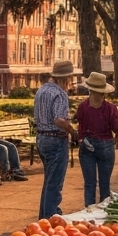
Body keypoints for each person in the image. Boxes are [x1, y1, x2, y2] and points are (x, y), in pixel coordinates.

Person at [34, 60, 80, 218]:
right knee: (55, 183)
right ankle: (51, 216)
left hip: (41, 138)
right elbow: (59, 120)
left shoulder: (42, 90)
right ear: (66, 78)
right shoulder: (60, 94)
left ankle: (44, 216)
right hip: (55, 139)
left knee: (48, 181)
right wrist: (72, 131)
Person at [74, 72, 118, 207]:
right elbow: (116, 128)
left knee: (89, 183)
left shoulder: (83, 106)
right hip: (106, 144)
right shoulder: (110, 108)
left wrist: (82, 139)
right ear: (104, 92)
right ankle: (103, 209)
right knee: (104, 182)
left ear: (90, 89)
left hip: (87, 144)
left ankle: (89, 209)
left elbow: (81, 126)